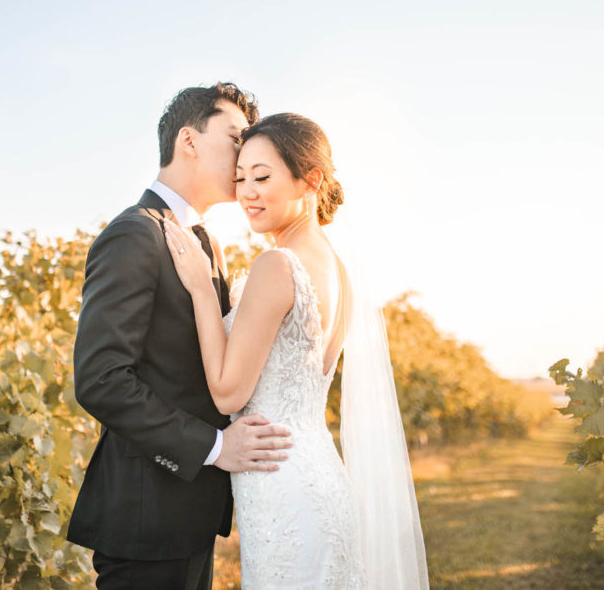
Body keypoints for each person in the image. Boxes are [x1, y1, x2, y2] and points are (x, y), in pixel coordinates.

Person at [163, 113, 430, 588]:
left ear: (311, 180)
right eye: (240, 177)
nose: (246, 192)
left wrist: (203, 291)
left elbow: (227, 394)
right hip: (319, 475)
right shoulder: (339, 272)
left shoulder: (277, 265)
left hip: (282, 487)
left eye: (262, 177)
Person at [66, 83, 295, 590]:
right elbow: (101, 379)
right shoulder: (136, 234)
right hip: (145, 520)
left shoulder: (205, 242)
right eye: (236, 138)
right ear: (188, 141)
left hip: (188, 515)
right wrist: (214, 447)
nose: (245, 154)